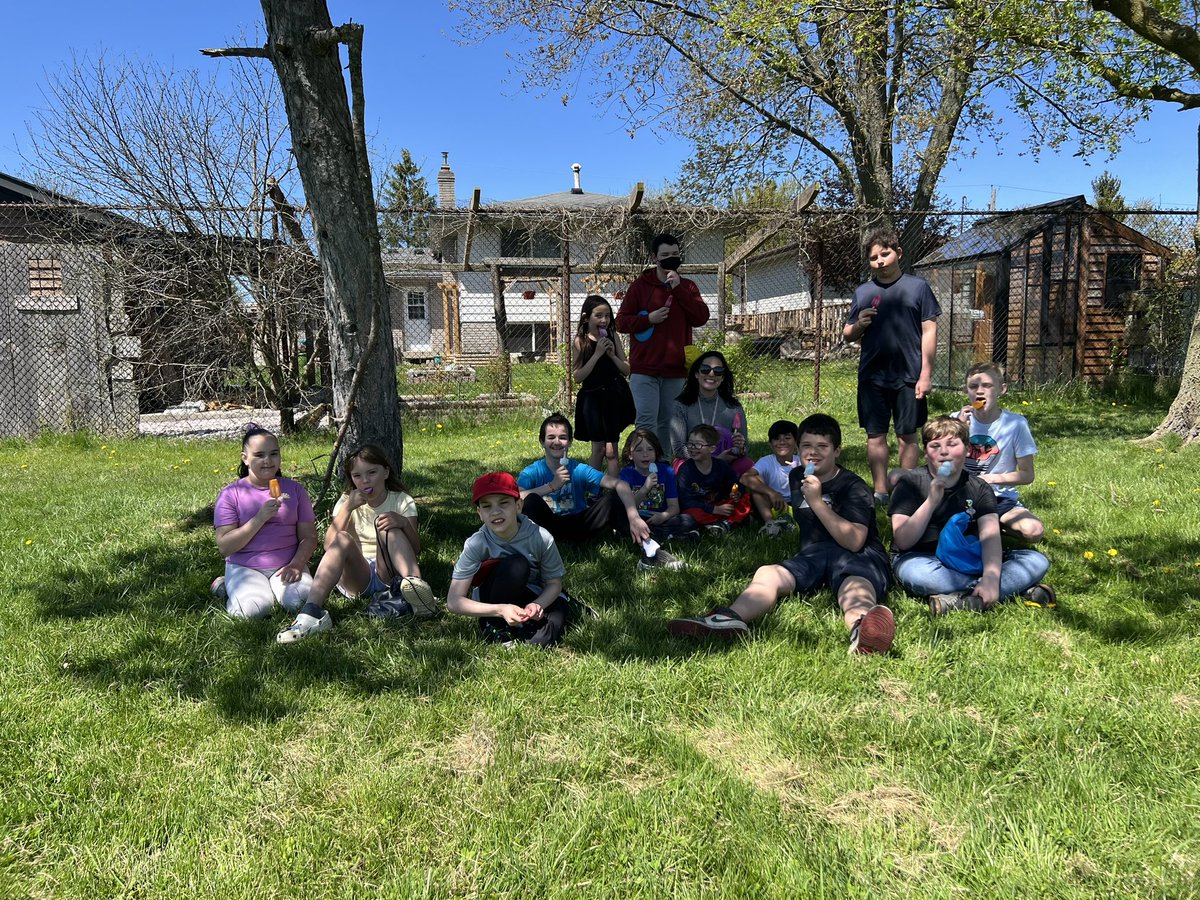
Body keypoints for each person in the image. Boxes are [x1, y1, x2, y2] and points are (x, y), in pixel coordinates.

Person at [668, 414, 895, 654]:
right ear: (798, 449)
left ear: (837, 451)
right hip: (814, 554)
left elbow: (854, 541)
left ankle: (863, 630)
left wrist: (817, 502)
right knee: (768, 573)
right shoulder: (798, 476)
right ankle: (727, 619)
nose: (813, 453)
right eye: (807, 446)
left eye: (822, 446)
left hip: (859, 555)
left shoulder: (853, 486)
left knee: (853, 585)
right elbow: (749, 480)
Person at [890, 416, 1054, 615]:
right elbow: (903, 540)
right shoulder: (910, 483)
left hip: (969, 560)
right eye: (935, 446)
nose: (944, 451)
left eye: (952, 444)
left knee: (1037, 561)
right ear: (925, 453)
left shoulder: (978, 487)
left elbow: (990, 537)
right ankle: (1013, 590)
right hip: (923, 558)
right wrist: (931, 501)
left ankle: (964, 598)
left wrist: (991, 578)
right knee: (917, 574)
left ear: (967, 450)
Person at [276, 445, 437, 644]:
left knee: (387, 525)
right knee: (342, 537)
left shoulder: (401, 500)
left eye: (372, 472)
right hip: (358, 575)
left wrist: (402, 523)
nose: (365, 480)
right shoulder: (346, 500)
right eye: (357, 476)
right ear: (351, 479)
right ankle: (311, 611)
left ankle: (417, 592)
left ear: (385, 472)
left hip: (389, 570)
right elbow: (329, 545)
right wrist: (348, 507)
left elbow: (415, 548)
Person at [842, 228, 940, 505]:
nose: (880, 261)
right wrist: (858, 324)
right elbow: (847, 333)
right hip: (872, 376)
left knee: (907, 435)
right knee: (875, 435)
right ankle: (881, 491)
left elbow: (930, 331)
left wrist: (925, 374)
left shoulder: (918, 287)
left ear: (898, 253)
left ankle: (905, 489)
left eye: (885, 254)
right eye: (873, 258)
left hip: (909, 375)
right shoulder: (863, 292)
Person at [446, 472, 580, 648]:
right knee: (517, 565)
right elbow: (454, 601)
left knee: (540, 642)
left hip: (532, 595)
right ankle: (495, 624)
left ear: (518, 506)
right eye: (487, 506)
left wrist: (537, 604)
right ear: (479, 513)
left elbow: (554, 583)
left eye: (503, 503)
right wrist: (500, 610)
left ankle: (564, 602)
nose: (495, 512)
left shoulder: (541, 537)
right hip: (493, 601)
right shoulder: (476, 543)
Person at [616, 233, 711, 452]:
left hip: (675, 371)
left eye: (675, 254)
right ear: (655, 257)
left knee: (669, 423)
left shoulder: (687, 286)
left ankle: (665, 467)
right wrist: (648, 319)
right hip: (644, 369)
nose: (671, 259)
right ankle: (642, 468)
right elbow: (621, 322)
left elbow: (700, 317)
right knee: (646, 423)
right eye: (665, 255)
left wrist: (678, 289)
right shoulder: (640, 287)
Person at [213, 425, 317, 622]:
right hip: (245, 567)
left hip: (287, 564)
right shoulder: (230, 494)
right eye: (259, 455)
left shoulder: (295, 490)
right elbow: (225, 547)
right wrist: (259, 518)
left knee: (301, 602)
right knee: (253, 611)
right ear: (245, 458)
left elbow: (309, 537)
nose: (268, 461)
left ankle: (272, 587)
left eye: (274, 454)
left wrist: (297, 564)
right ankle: (226, 585)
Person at [517, 413, 652, 549]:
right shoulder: (532, 471)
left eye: (562, 437)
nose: (557, 442)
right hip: (546, 527)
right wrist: (552, 485)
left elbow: (620, 484)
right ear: (542, 442)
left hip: (580, 524)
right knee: (530, 501)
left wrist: (634, 517)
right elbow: (515, 498)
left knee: (614, 498)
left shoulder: (578, 469)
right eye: (551, 437)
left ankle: (648, 547)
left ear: (570, 442)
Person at [953, 361, 1045, 541]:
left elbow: (1027, 475)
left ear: (1002, 389)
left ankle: (991, 525)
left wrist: (990, 480)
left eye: (987, 385)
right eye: (973, 386)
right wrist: (959, 432)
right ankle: (980, 526)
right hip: (959, 496)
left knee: (1034, 531)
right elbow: (942, 468)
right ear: (966, 391)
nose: (980, 391)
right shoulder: (956, 420)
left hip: (998, 497)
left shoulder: (1016, 424)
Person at [572, 295, 636, 476]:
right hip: (592, 399)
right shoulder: (580, 341)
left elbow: (626, 369)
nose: (604, 320)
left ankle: (615, 491)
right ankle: (594, 490)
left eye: (607, 316)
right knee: (598, 448)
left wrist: (612, 355)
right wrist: (597, 354)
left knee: (611, 450)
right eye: (599, 316)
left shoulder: (613, 336)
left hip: (613, 398)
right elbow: (578, 376)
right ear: (586, 318)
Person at [618, 427, 695, 568]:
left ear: (657, 452)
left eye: (650, 449)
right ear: (630, 454)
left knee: (688, 520)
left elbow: (674, 507)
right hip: (637, 519)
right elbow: (628, 507)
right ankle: (662, 549)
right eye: (639, 450)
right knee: (622, 523)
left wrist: (663, 516)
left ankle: (657, 537)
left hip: (661, 519)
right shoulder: (625, 474)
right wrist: (645, 489)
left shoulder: (666, 472)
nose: (645, 454)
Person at [668, 350, 751, 476]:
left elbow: (744, 448)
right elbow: (678, 449)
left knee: (747, 465)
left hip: (726, 462)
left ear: (722, 377)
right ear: (696, 374)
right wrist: (711, 460)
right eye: (705, 369)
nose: (711, 374)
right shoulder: (681, 405)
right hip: (692, 459)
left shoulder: (734, 407)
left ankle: (738, 495)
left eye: (718, 371)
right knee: (682, 466)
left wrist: (739, 448)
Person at [676, 424, 753, 536]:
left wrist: (736, 493)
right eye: (690, 444)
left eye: (698, 445)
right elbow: (685, 500)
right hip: (699, 507)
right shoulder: (685, 470)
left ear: (712, 449)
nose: (692, 448)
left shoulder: (721, 465)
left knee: (744, 500)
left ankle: (722, 523)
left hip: (719, 504)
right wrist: (713, 509)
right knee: (689, 515)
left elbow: (734, 483)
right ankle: (730, 522)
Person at [740, 419, 802, 537]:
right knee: (756, 480)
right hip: (772, 503)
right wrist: (772, 493)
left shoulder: (800, 461)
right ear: (770, 444)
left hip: (796, 503)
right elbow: (744, 478)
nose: (782, 442)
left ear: (796, 442)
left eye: (787, 438)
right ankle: (770, 523)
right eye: (777, 439)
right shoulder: (767, 461)